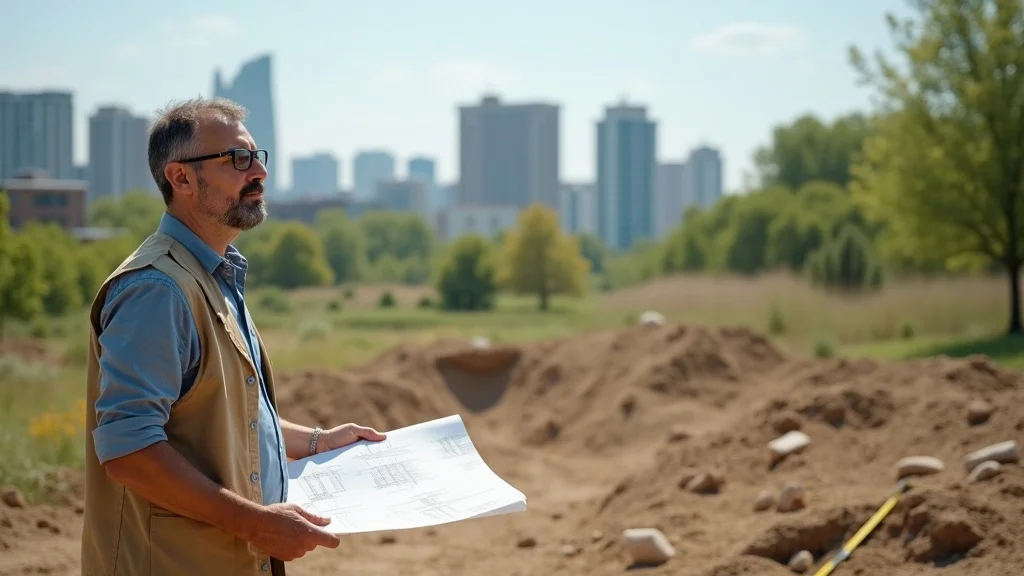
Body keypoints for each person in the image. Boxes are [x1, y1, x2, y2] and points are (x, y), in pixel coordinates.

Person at [81, 96, 386, 575]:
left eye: (256, 158)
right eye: (237, 160)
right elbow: (129, 451)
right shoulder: (157, 289)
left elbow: (225, 420)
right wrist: (256, 525)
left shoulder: (211, 276)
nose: (259, 173)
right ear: (181, 178)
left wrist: (318, 442)